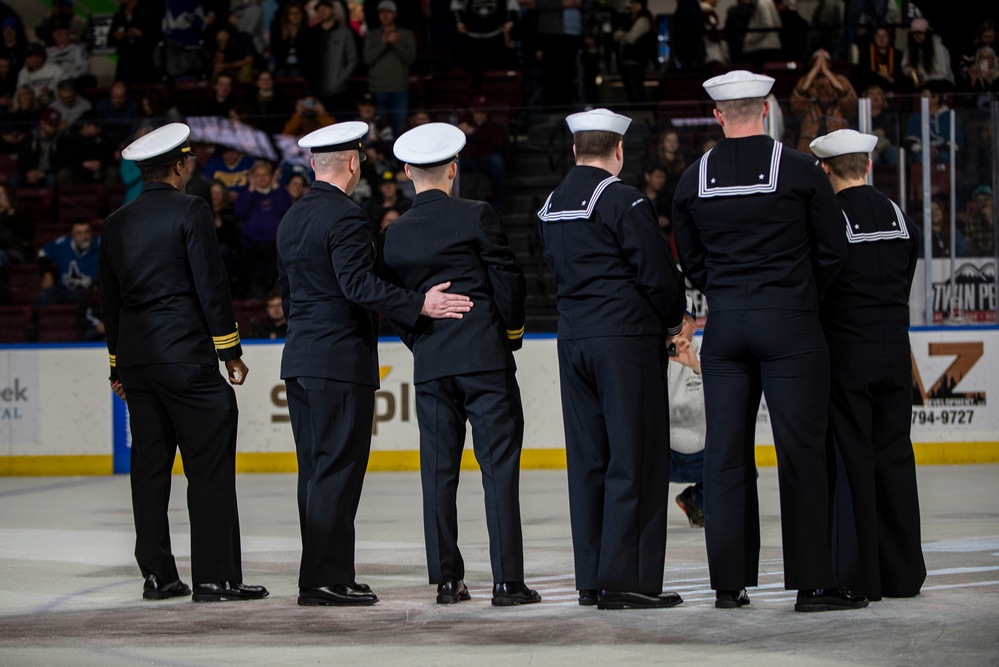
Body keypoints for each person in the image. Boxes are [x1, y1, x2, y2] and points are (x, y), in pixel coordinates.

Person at [671, 70, 866, 612]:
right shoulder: (802, 170)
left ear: (717, 115)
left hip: (727, 327)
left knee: (726, 456)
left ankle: (729, 585)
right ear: (766, 109)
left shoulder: (692, 178)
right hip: (792, 325)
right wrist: (797, 295)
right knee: (801, 451)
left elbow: (692, 261)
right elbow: (833, 251)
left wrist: (731, 294)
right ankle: (813, 585)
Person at [276, 121, 473, 607]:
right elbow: (357, 286)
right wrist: (419, 304)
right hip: (338, 360)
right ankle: (325, 579)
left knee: (317, 472)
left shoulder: (292, 217)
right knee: (338, 471)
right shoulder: (345, 216)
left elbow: (289, 294)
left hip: (300, 358)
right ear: (351, 163)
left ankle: (323, 574)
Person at [99, 123, 268, 603]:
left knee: (149, 470)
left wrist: (117, 367)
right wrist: (229, 350)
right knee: (209, 466)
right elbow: (210, 284)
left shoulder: (115, 222)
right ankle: (216, 578)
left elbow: (109, 303)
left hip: (137, 362)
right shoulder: (191, 209)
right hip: (185, 360)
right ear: (179, 164)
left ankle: (158, 575)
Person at [382, 122, 539, 607]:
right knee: (499, 468)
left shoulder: (392, 235)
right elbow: (508, 280)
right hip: (484, 360)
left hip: (431, 363)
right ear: (454, 168)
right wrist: (508, 334)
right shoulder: (477, 215)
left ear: (407, 172)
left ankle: (447, 581)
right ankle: (507, 582)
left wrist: (420, 339)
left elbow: (394, 301)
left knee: (438, 471)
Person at [537, 108, 687, 610]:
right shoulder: (624, 200)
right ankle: (628, 581)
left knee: (589, 461)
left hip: (573, 340)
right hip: (624, 341)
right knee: (636, 459)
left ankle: (593, 577)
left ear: (577, 149)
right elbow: (659, 276)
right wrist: (672, 322)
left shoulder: (551, 204)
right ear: (618, 150)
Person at [809, 128, 925, 601]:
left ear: (825, 170)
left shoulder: (827, 217)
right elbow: (907, 268)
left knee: (851, 458)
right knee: (895, 456)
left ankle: (860, 576)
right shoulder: (898, 214)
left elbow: (819, 283)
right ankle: (903, 574)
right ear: (869, 165)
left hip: (847, 355)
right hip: (895, 352)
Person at [667, 304, 705, 529]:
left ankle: (696, 499)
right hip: (665, 456)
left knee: (744, 469)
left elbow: (724, 399)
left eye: (684, 321)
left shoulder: (709, 352)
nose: (679, 327)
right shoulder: (652, 354)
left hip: (702, 455)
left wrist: (697, 366)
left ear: (694, 325)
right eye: (674, 320)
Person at [235, 160, 292, 298]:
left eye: (265, 174)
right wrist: (251, 189)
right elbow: (239, 212)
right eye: (258, 175)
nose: (262, 178)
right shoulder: (246, 195)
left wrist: (276, 186)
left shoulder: (280, 193)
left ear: (271, 175)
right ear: (252, 177)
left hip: (276, 249)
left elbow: (285, 209)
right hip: (253, 249)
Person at [363, 0, 415, 139]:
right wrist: (382, 44)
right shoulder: (372, 35)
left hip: (400, 89)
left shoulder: (406, 34)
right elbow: (367, 59)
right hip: (378, 88)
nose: (385, 16)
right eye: (382, 12)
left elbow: (411, 59)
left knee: (400, 131)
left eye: (388, 12)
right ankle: (381, 160)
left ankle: (400, 161)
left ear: (395, 14)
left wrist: (398, 44)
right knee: (380, 131)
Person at [790, 49, 858, 153]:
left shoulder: (840, 83)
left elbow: (848, 100)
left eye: (828, 86)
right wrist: (815, 70)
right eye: (821, 87)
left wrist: (827, 72)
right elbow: (797, 98)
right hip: (809, 151)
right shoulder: (808, 93)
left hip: (837, 150)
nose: (825, 90)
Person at [301, 0, 357, 113]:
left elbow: (352, 59)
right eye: (319, 10)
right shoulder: (311, 34)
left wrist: (340, 79)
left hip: (339, 91)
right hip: (316, 90)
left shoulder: (345, 33)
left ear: (333, 10)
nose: (322, 12)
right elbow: (306, 60)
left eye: (325, 8)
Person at [37, 219, 99, 306]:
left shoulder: (100, 245)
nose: (84, 237)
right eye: (79, 233)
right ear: (72, 235)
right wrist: (47, 273)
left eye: (87, 232)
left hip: (89, 293)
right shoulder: (63, 244)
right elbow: (42, 253)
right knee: (44, 295)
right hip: (64, 291)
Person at [613, 0, 655, 104]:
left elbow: (631, 38)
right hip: (626, 59)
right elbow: (616, 35)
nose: (632, 6)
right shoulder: (629, 18)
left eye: (635, 3)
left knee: (636, 90)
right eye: (632, 3)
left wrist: (622, 35)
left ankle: (641, 111)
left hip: (636, 59)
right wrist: (623, 35)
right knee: (630, 91)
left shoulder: (644, 19)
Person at [901, 17, 954, 89]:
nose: (918, 36)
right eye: (915, 33)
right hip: (920, 82)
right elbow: (905, 65)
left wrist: (927, 80)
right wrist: (909, 71)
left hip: (939, 82)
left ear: (927, 33)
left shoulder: (938, 48)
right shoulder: (910, 47)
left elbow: (943, 74)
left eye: (920, 33)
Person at [16, 42, 64, 106]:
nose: (27, 60)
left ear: (40, 58)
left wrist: (51, 91)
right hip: (33, 107)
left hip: (56, 104)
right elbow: (21, 92)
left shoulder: (55, 69)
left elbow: (64, 90)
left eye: (30, 57)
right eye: (26, 57)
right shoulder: (24, 72)